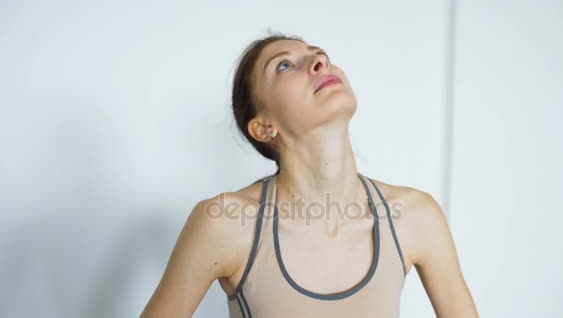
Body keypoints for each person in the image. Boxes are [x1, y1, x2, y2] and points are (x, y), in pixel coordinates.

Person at [141, 32, 479, 317]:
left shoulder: (416, 216)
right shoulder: (224, 223)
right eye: (284, 65)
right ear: (263, 127)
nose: (320, 63)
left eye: (321, 56)